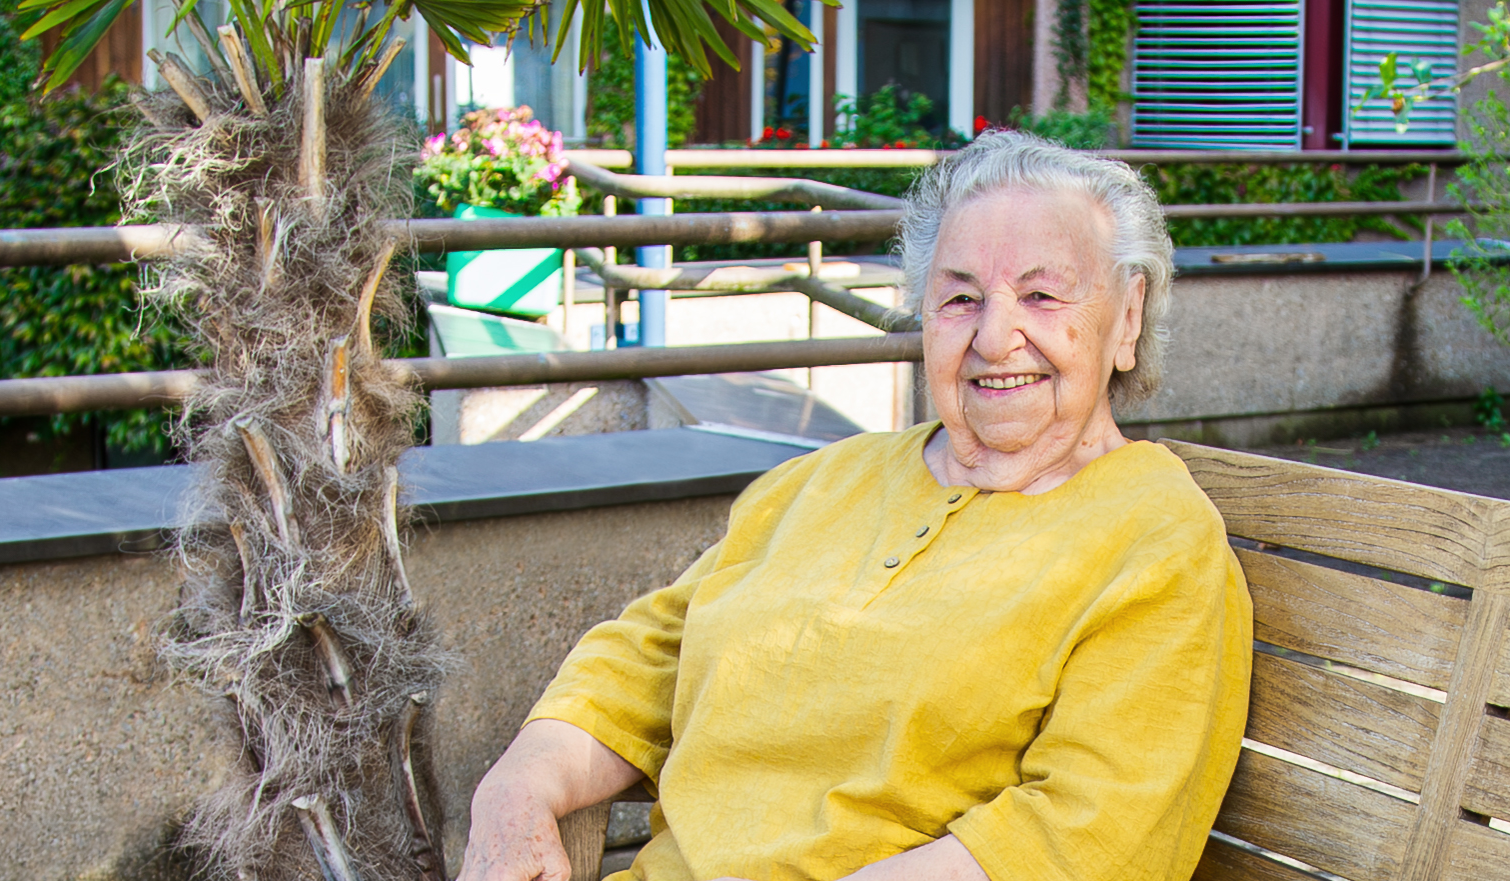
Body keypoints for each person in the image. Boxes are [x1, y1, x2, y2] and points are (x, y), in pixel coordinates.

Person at [459, 131, 1253, 881]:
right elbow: (646, 657)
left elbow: (1087, 836)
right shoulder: (824, 481)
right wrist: (517, 788)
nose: (995, 335)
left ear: (1129, 316)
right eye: (960, 299)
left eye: (1043, 295)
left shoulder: (1158, 541)